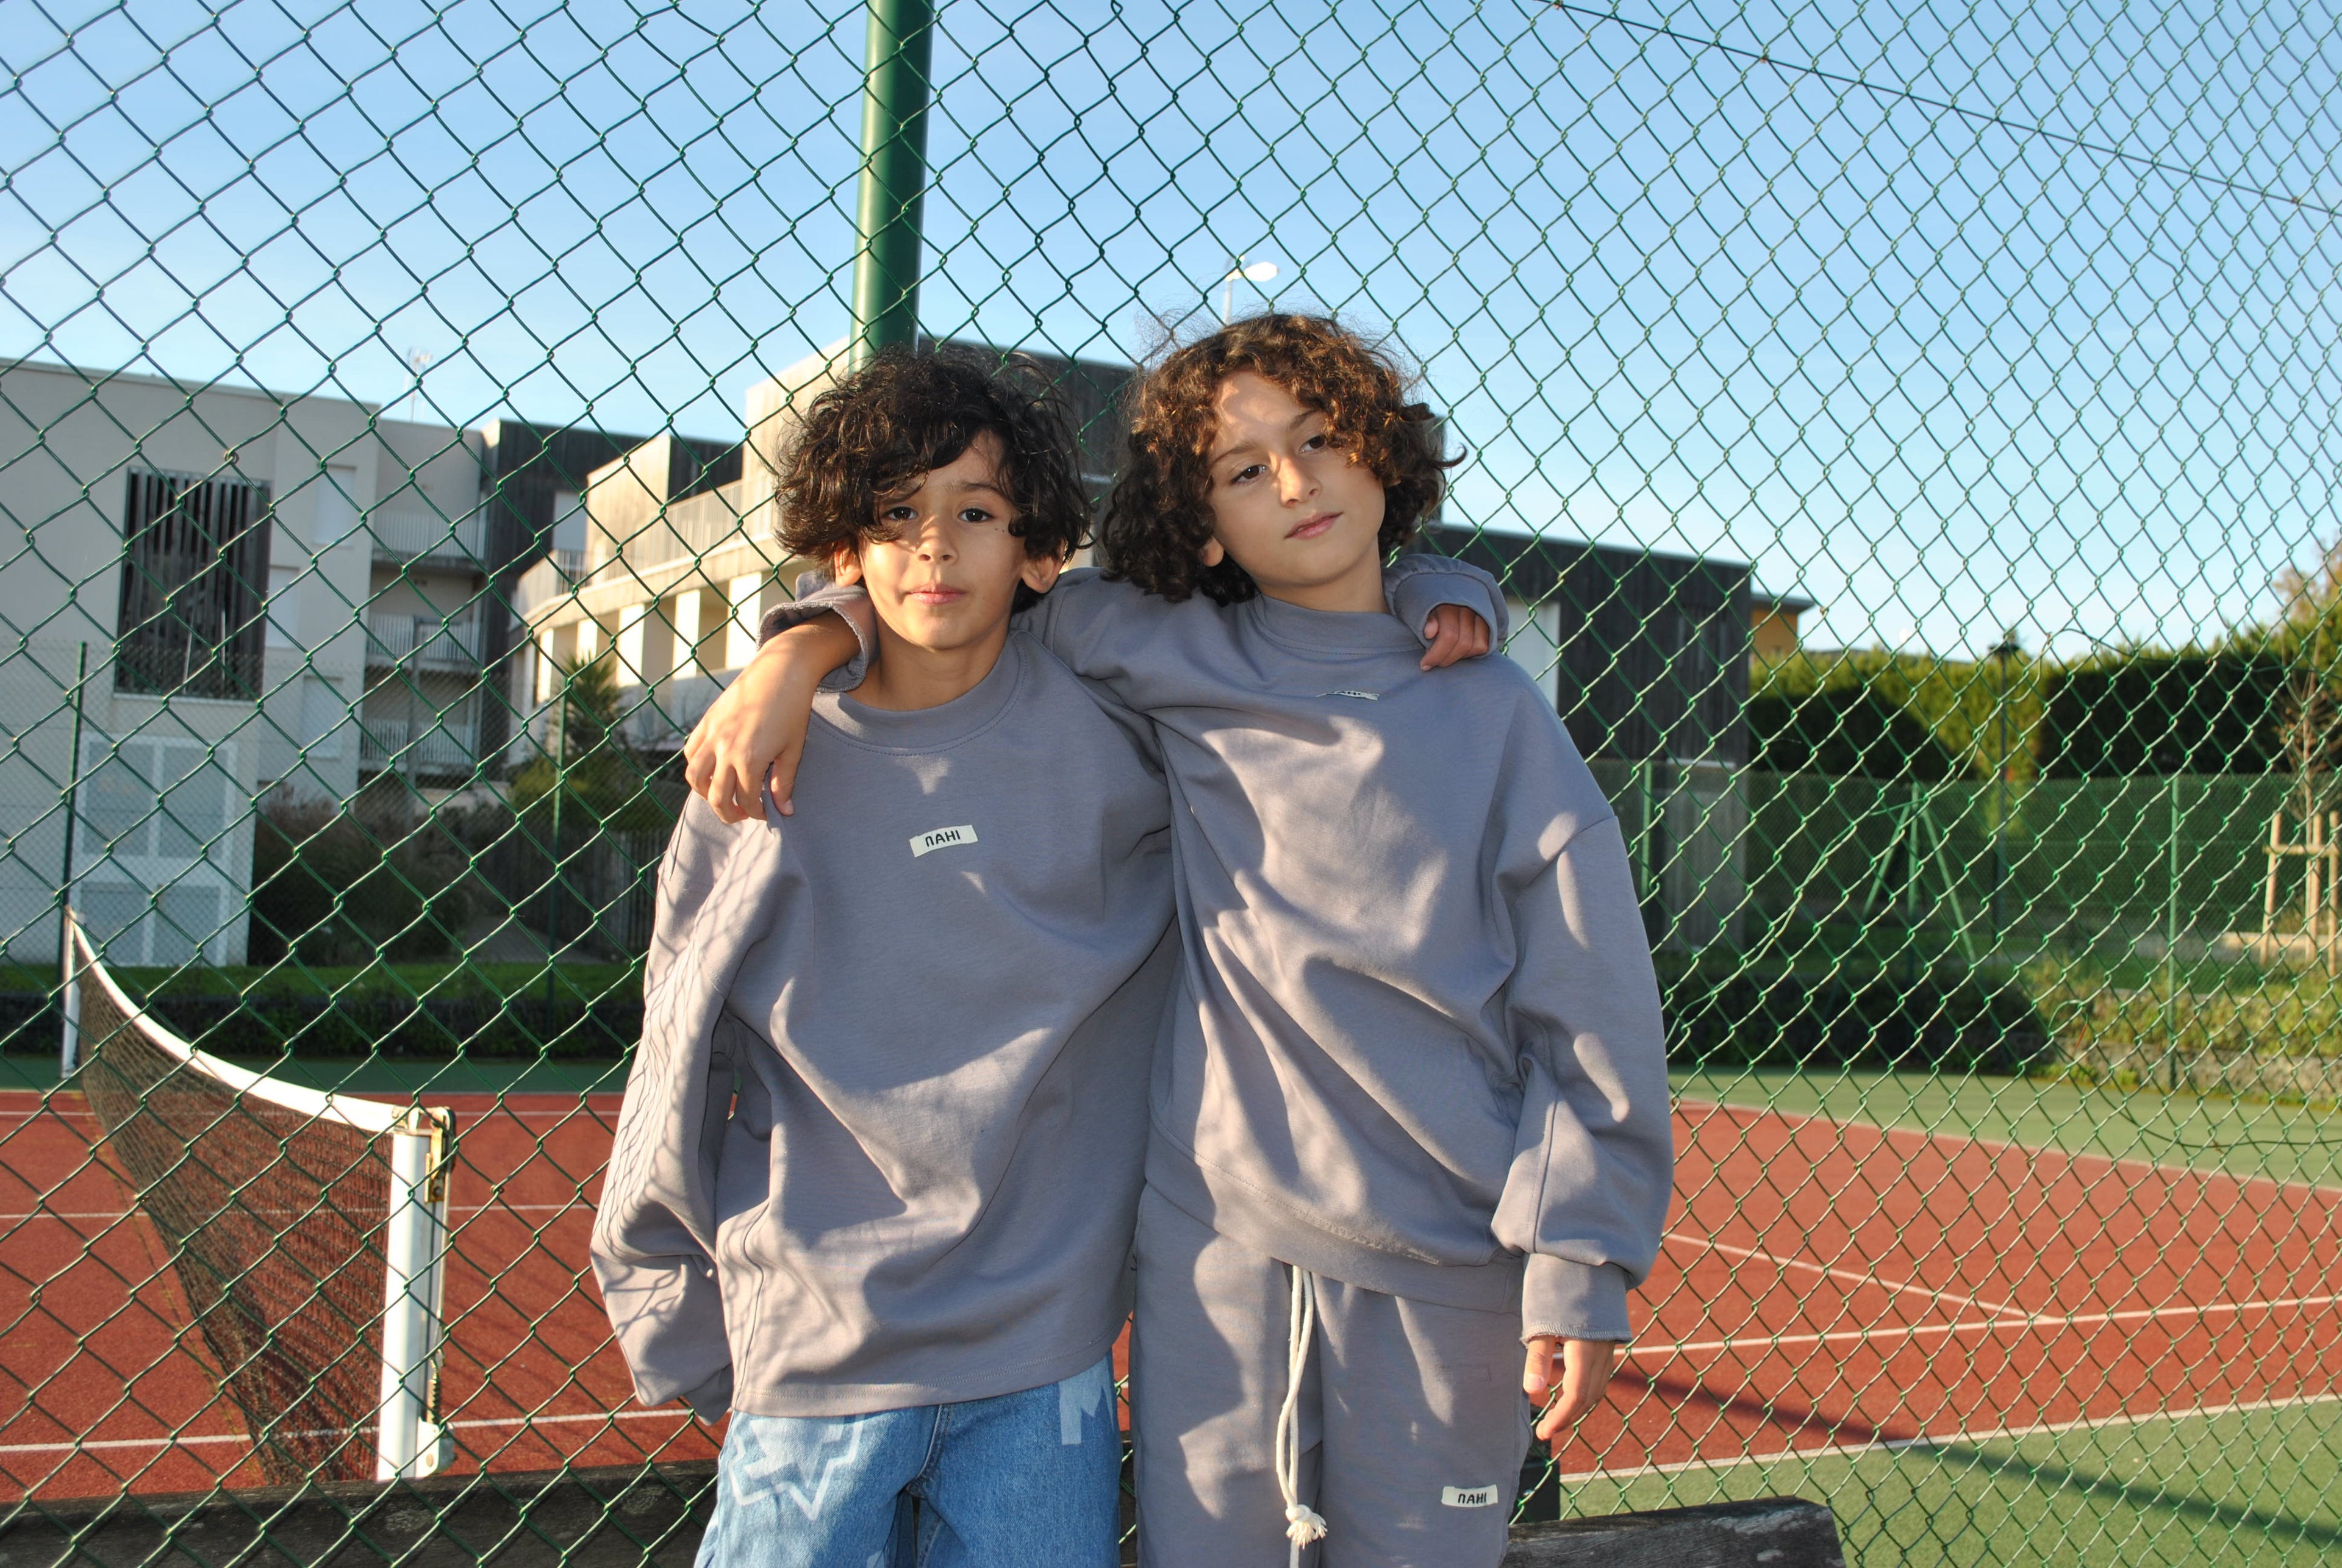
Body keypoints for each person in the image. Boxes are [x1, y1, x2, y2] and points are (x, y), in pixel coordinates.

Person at [690, 315, 1668, 1567]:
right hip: (1218, 1248)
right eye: (1245, 470)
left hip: (1450, 1261)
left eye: (1321, 441)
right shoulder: (1158, 644)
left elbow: (1591, 1004)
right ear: (1203, 526)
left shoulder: (1495, 711)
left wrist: (1582, 1257)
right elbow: (952, 585)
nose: (1296, 484)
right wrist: (802, 644)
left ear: (1383, 456)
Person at [591, 346, 1181, 1567]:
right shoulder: (757, 767)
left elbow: (1298, 633)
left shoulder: (1120, 731)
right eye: (896, 514)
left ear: (1038, 551)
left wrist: (1442, 595)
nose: (934, 548)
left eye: (977, 513)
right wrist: (660, 1288)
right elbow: (679, 1042)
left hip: (1046, 1349)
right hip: (821, 1340)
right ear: (844, 547)